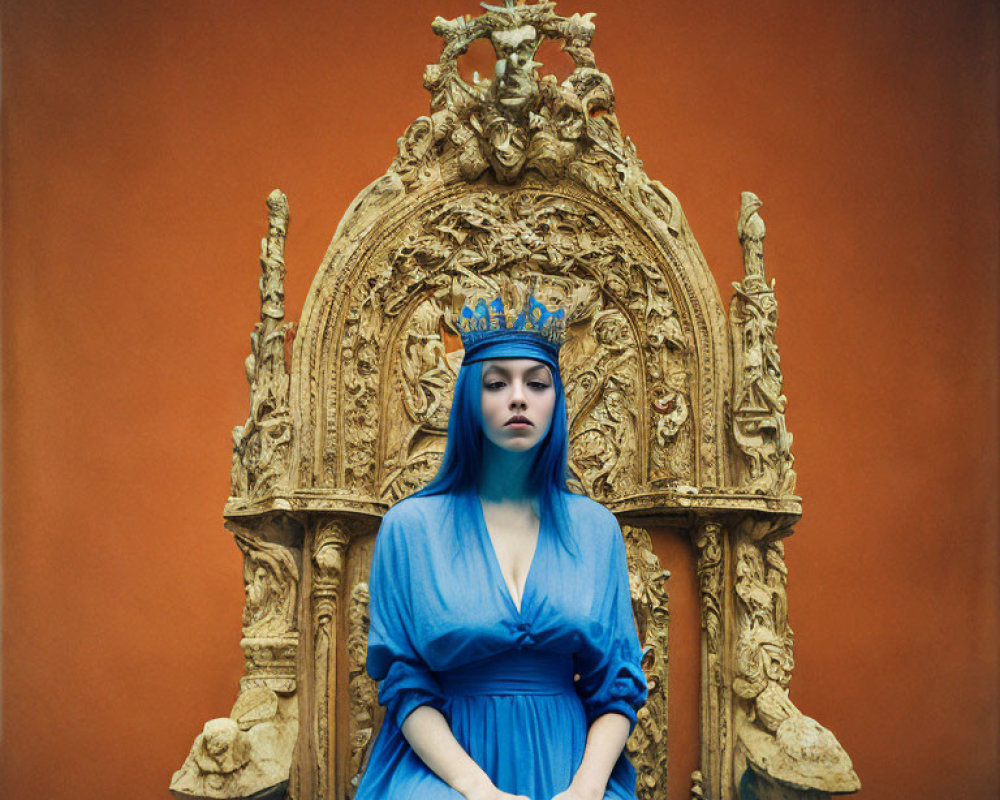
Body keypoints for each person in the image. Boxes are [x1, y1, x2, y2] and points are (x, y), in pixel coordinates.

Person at [354, 289, 648, 800]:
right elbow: (403, 683)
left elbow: (618, 687)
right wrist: (479, 791)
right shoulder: (410, 529)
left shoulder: (597, 531)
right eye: (497, 383)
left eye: (536, 383)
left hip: (571, 766)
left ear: (556, 401)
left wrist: (585, 789)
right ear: (470, 396)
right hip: (444, 772)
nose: (518, 397)